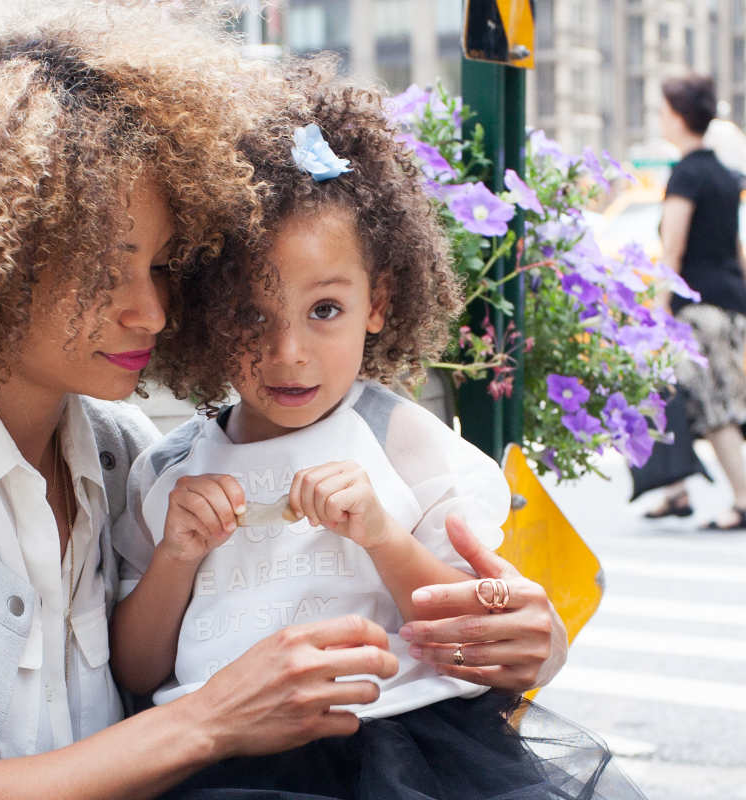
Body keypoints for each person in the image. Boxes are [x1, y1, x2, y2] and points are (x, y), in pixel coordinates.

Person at [0, 3, 573, 798]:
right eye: (106, 269)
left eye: (164, 266)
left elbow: (445, 630)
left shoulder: (122, 453)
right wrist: (210, 722)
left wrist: (535, 643)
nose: (154, 311)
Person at [112, 74, 644, 799]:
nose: (288, 351)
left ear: (379, 303)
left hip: (402, 753)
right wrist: (176, 555)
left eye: (323, 308)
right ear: (204, 315)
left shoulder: (404, 445)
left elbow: (470, 637)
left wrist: (382, 535)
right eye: (249, 316)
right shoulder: (171, 468)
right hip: (217, 763)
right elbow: (138, 672)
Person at [648, 73, 746, 530]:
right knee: (669, 391)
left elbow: (673, 248)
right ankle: (675, 490)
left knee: (712, 404)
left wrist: (658, 307)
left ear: (680, 116)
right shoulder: (725, 176)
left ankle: (743, 499)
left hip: (698, 309)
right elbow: (736, 247)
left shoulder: (686, 174)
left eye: (665, 110)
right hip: (727, 304)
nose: (661, 118)